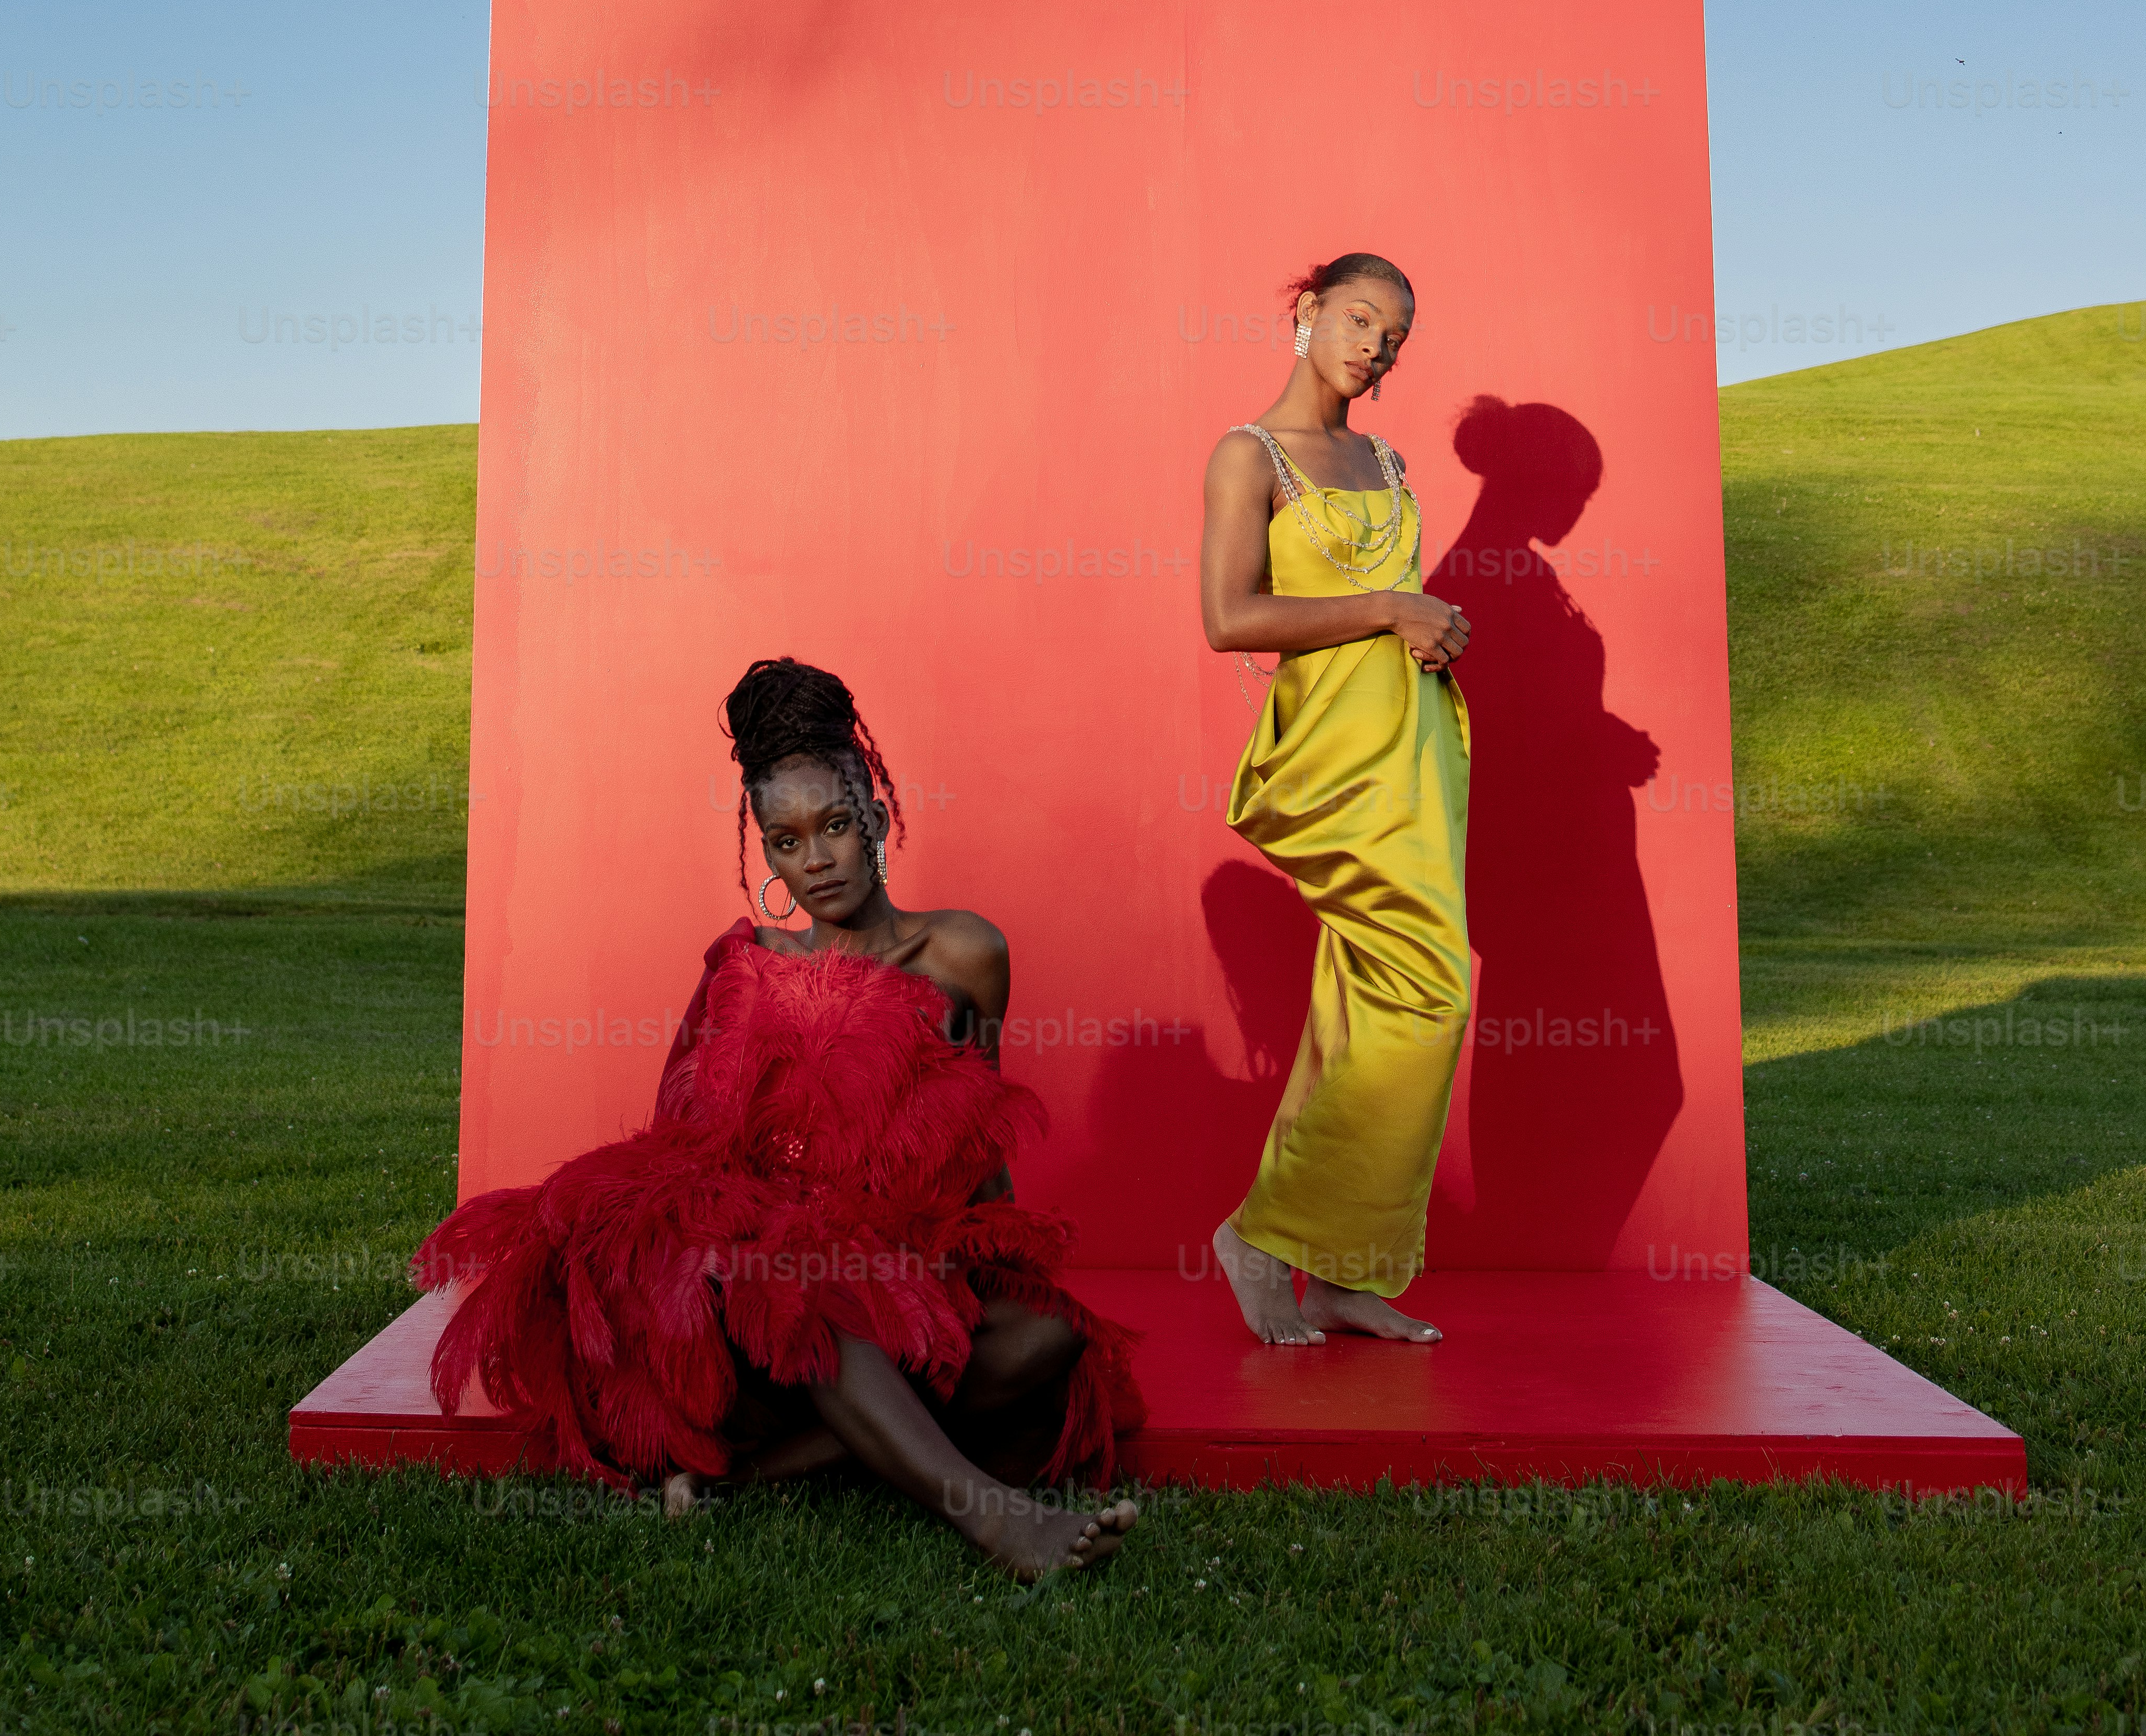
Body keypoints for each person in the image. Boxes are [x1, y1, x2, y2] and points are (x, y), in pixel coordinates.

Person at [414, 656, 1142, 1578]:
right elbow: (671, 1161)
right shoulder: (743, 965)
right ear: (763, 849)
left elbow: (980, 1128)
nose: (817, 860)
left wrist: (986, 1264)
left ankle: (743, 1479)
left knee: (1050, 1334)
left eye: (835, 826)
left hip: (898, 1263)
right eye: (787, 840)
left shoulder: (964, 951)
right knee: (803, 1270)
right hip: (756, 1293)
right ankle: (993, 1518)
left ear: (875, 817)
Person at [1197, 251, 1473, 1345]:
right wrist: (1390, 607)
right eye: (1360, 319)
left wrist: (1432, 626)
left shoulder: (1387, 458)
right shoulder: (1246, 455)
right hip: (1331, 763)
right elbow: (1230, 617)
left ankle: (1349, 1271)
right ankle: (1263, 1237)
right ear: (1308, 311)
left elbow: (1399, 609)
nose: (1375, 346)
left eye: (1394, 336)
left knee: (1362, 1002)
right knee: (1427, 993)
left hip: (1416, 754)